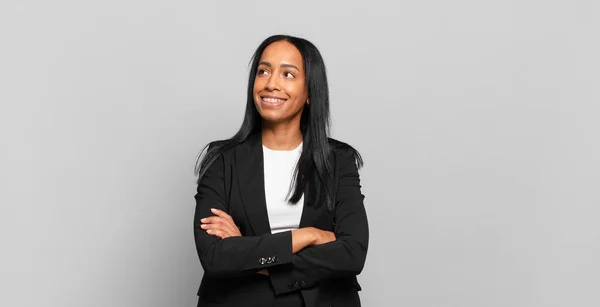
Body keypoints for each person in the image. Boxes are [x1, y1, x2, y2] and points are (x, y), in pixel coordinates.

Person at [193, 34, 369, 307]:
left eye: (288, 74)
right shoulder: (221, 160)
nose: (271, 83)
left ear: (310, 92)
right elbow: (216, 257)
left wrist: (249, 253)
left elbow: (351, 253)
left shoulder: (339, 160)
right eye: (263, 71)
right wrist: (308, 235)